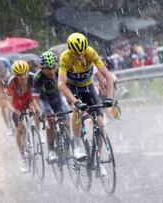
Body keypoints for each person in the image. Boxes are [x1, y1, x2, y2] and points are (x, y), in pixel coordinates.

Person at [58, 32, 114, 168]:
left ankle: (97, 158)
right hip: (72, 88)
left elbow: (107, 75)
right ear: (71, 52)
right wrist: (74, 101)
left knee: (100, 124)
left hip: (88, 86)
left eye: (83, 52)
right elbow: (60, 84)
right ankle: (76, 143)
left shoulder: (90, 52)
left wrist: (109, 98)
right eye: (77, 54)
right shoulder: (65, 57)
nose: (81, 56)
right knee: (76, 109)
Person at [33, 51, 70, 163]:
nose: (51, 71)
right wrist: (39, 111)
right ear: (42, 68)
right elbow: (34, 98)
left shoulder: (59, 72)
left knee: (67, 124)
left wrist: (71, 100)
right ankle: (51, 149)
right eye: (48, 69)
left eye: (53, 67)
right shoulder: (38, 77)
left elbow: (67, 88)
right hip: (45, 101)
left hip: (57, 98)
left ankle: (67, 150)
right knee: (51, 120)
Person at [6, 60, 42, 172]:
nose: (23, 76)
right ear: (16, 75)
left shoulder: (33, 78)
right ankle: (22, 157)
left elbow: (39, 95)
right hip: (18, 105)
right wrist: (15, 111)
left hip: (30, 100)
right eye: (20, 75)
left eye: (25, 73)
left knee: (34, 107)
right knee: (20, 129)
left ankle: (38, 129)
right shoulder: (12, 82)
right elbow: (8, 102)